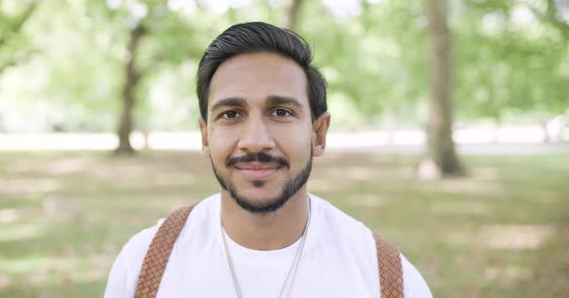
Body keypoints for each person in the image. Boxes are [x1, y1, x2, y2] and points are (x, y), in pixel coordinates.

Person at [104, 21, 432, 298]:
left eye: (281, 112)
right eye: (231, 114)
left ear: (318, 133)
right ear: (205, 136)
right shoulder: (144, 267)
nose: (255, 141)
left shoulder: (385, 278)